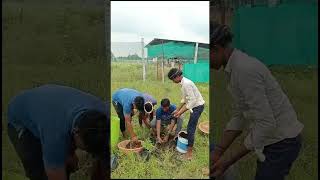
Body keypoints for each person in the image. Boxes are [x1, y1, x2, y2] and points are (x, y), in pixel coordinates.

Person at [210, 22, 304, 180]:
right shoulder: (234, 68)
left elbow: (266, 124)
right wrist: (218, 152)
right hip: (271, 139)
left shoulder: (244, 70)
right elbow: (240, 115)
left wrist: (227, 161)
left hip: (282, 141)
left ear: (217, 49)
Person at [7, 84, 108, 180]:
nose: (90, 153)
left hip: (54, 107)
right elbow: (55, 173)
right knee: (42, 172)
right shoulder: (54, 137)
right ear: (76, 131)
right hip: (22, 122)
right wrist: (68, 155)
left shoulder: (105, 114)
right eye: (88, 147)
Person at [168, 68, 205, 160]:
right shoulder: (183, 83)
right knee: (190, 128)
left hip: (197, 107)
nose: (173, 82)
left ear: (177, 77)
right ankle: (189, 150)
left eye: (173, 79)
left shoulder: (186, 84)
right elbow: (184, 99)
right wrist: (177, 110)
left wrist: (180, 112)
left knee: (190, 129)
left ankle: (189, 154)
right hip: (194, 106)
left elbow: (192, 101)